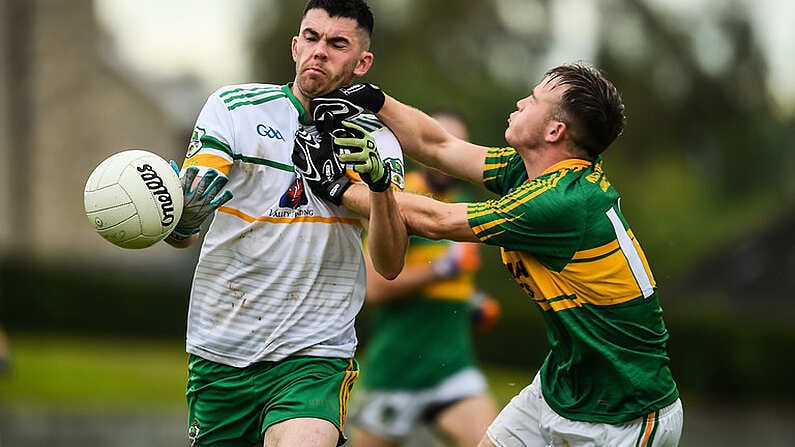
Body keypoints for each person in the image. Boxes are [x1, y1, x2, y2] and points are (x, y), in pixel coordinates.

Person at [297, 63, 683, 446]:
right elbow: (439, 145)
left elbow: (437, 220)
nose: (519, 102)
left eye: (532, 100)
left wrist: (339, 188)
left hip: (625, 413)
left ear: (554, 131)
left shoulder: (560, 202)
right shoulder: (531, 172)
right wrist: (375, 99)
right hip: (561, 387)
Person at [164, 1, 407, 446]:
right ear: (295, 46)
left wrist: (379, 188)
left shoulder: (376, 138)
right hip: (221, 352)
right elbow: (183, 233)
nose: (320, 51)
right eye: (311, 38)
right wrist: (184, 224)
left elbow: (390, 264)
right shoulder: (233, 109)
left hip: (314, 355)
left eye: (337, 44)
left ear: (361, 62)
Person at [349, 112, 500, 447]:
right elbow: (375, 287)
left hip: (452, 368)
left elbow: (451, 284)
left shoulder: (464, 206)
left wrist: (472, 303)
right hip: (395, 371)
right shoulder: (395, 197)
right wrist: (442, 268)